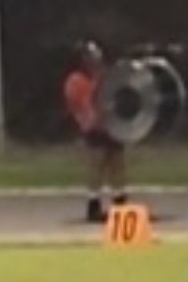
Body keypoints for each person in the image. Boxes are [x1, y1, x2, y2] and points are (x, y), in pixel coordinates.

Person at [65, 42, 127, 223]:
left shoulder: (102, 75)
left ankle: (120, 203)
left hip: (111, 125)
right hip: (94, 127)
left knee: (117, 164)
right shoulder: (76, 80)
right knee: (96, 166)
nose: (95, 60)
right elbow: (83, 105)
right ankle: (93, 205)